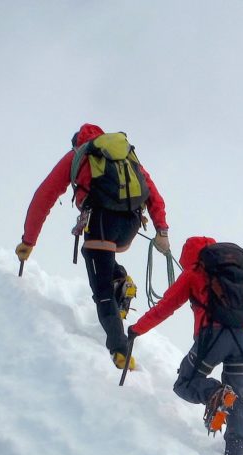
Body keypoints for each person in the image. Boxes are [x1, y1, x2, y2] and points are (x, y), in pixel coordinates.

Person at [17, 123, 169, 369]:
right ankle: (119, 280)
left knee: (102, 292)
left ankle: (120, 351)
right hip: (131, 223)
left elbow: (43, 197)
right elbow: (151, 190)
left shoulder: (77, 155)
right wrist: (161, 230)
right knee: (96, 256)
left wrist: (28, 241)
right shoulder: (125, 154)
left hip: (101, 222)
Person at [127, 236, 243, 455]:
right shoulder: (238, 276)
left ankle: (216, 393)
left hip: (213, 337)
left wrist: (136, 329)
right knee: (236, 398)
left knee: (186, 383)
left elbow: (165, 307)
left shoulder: (194, 273)